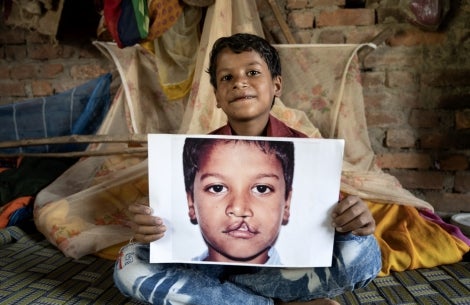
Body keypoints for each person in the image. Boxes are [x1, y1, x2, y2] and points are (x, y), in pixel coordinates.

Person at [114, 33, 381, 305]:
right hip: (210, 266)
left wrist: (354, 222)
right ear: (217, 96)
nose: (240, 81)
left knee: (364, 252)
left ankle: (224, 294)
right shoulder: (197, 151)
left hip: (283, 270)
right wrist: (149, 223)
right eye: (227, 78)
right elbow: (170, 220)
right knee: (129, 265)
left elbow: (326, 227)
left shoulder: (307, 152)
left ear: (276, 85)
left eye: (252, 72)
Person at [183, 137, 295, 265]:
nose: (239, 209)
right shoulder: (169, 278)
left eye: (261, 189)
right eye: (217, 188)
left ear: (286, 203)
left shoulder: (309, 281)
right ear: (191, 202)